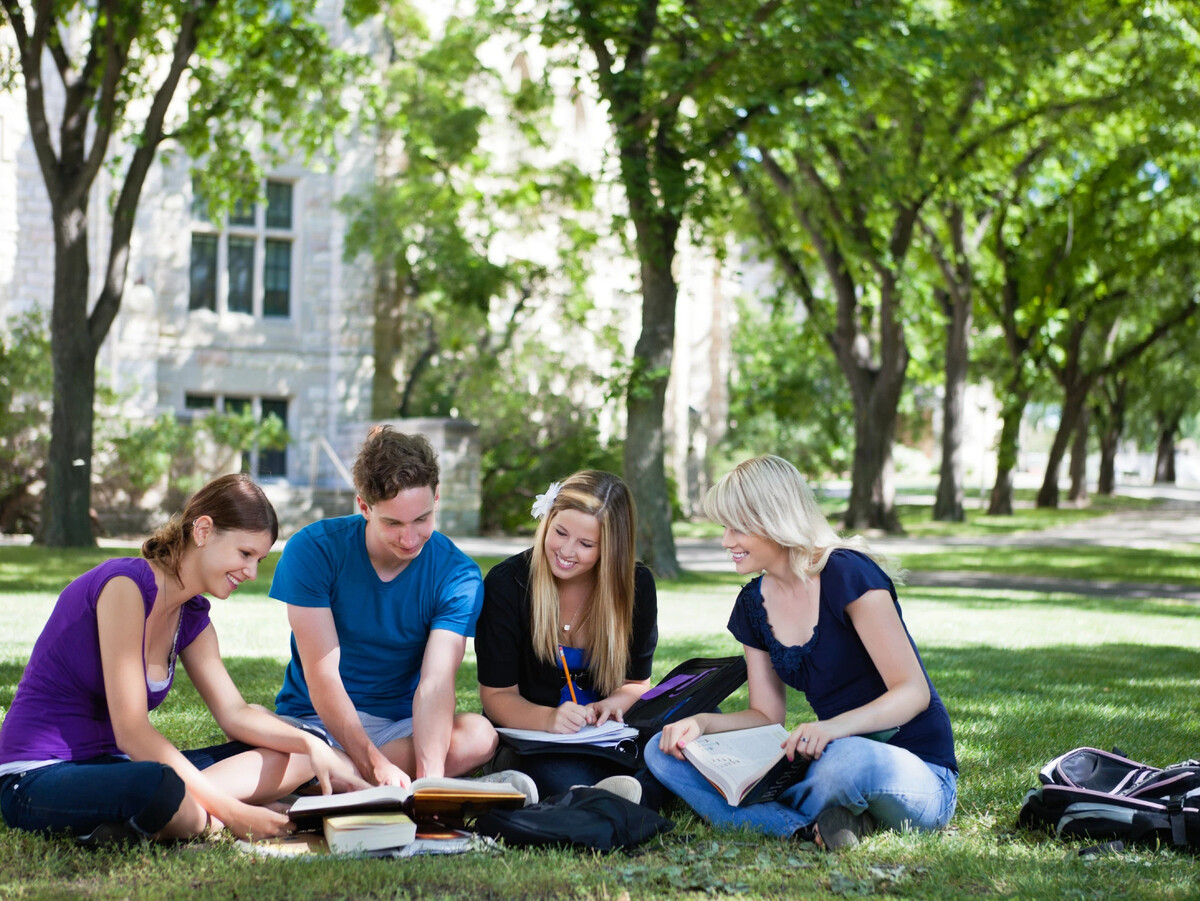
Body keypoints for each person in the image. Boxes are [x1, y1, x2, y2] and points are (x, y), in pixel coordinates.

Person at [0, 474, 366, 845]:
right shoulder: (125, 586)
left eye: (259, 559)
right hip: (38, 774)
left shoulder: (193, 619)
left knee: (295, 754)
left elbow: (235, 714)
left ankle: (157, 818)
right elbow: (132, 732)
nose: (252, 573)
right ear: (203, 530)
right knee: (163, 788)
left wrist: (311, 745)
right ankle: (196, 815)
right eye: (245, 554)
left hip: (117, 769)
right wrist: (232, 811)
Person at [645, 455, 957, 849]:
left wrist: (831, 728)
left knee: (846, 762)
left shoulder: (848, 574)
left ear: (773, 520)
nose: (726, 541)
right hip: (826, 758)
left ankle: (776, 815)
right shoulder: (751, 606)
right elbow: (765, 715)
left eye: (737, 528)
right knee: (662, 752)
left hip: (914, 769)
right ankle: (814, 827)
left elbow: (912, 692)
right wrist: (702, 724)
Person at [271, 426, 499, 788]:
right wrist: (373, 762)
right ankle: (335, 775)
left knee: (479, 736)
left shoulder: (458, 574)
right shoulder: (313, 550)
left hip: (401, 726)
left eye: (421, 519)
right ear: (364, 506)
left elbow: (436, 684)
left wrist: (431, 784)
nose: (409, 539)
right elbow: (323, 679)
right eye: (393, 522)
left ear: (436, 498)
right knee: (294, 753)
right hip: (316, 720)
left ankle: (323, 780)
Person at [476, 470, 660, 803]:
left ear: (611, 549)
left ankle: (605, 791)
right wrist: (549, 719)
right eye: (560, 532)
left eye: (586, 544)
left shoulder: (636, 586)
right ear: (547, 521)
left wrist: (612, 705)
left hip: (605, 736)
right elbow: (497, 695)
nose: (566, 550)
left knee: (693, 723)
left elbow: (635, 684)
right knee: (559, 773)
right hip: (537, 735)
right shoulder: (508, 585)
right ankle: (612, 792)